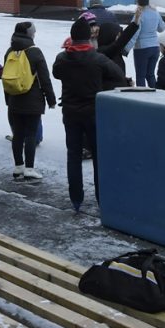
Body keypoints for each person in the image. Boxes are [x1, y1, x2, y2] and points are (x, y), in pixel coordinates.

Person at [52, 13, 128, 214]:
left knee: (73, 156)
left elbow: (56, 73)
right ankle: (102, 198)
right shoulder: (98, 59)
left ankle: (76, 198)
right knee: (97, 156)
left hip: (70, 113)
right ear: (88, 37)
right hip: (93, 113)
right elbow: (119, 75)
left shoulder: (62, 59)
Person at [2, 21, 56, 180]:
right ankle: (30, 169)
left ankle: (18, 167)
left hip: (14, 100)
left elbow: (5, 77)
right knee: (30, 135)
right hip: (32, 100)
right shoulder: (35, 52)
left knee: (17, 134)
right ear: (30, 34)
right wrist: (51, 100)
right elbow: (44, 78)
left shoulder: (9, 51)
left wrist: (8, 100)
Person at [128, 0, 165, 88]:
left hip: (142, 49)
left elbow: (134, 33)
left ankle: (142, 99)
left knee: (140, 76)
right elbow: (161, 28)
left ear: (138, 2)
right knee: (150, 75)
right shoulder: (155, 12)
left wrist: (126, 48)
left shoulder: (138, 15)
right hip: (155, 48)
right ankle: (155, 98)